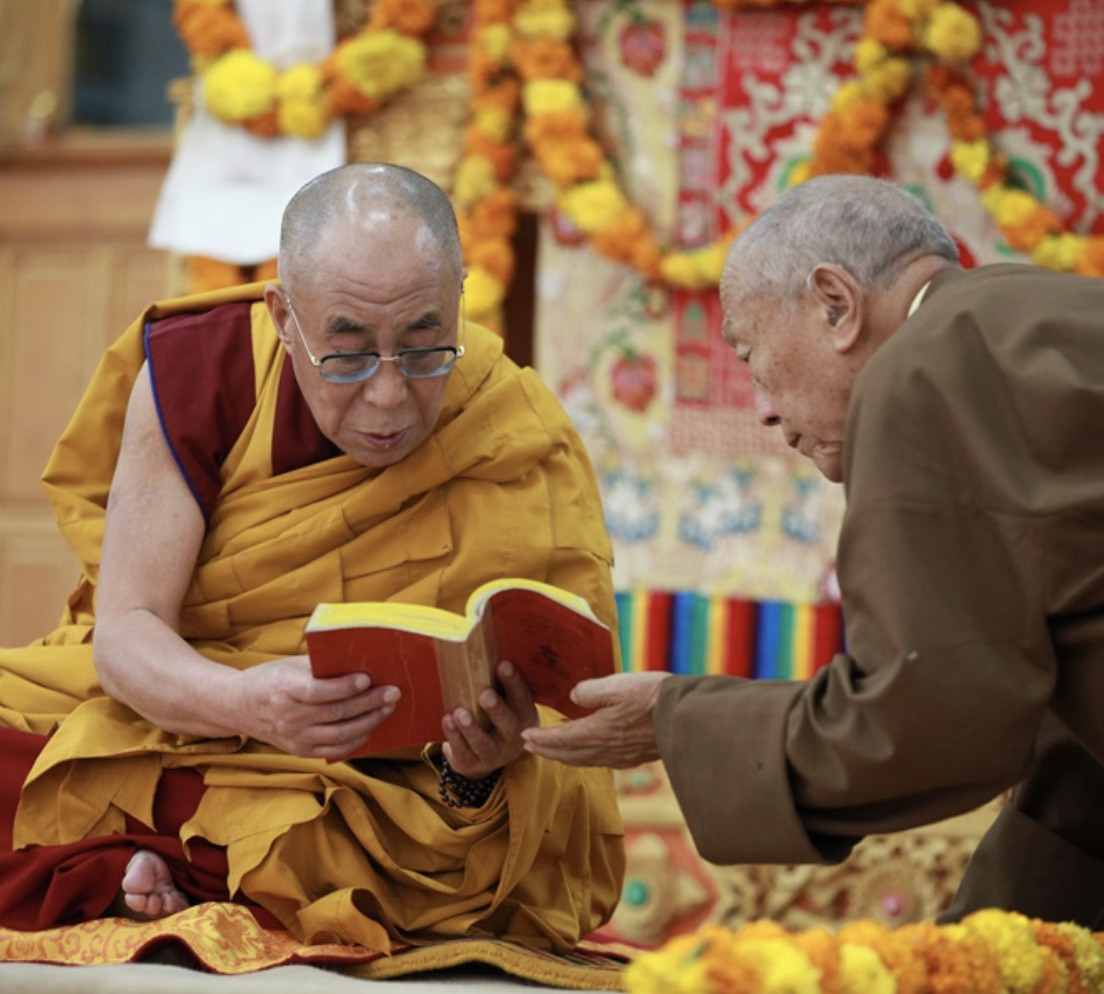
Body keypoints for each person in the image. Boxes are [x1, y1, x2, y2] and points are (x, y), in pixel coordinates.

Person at [0, 162, 624, 952]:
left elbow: (569, 731)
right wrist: (245, 704)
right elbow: (126, 636)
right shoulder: (204, 365)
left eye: (426, 347)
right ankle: (171, 860)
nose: (391, 397)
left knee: (386, 851)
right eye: (350, 355)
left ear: (460, 301)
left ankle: (144, 859)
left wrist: (483, 767)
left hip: (374, 793)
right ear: (282, 316)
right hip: (190, 716)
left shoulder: (514, 430)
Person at [523, 173, 1104, 930]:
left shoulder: (921, 373)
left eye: (752, 353)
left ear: (836, 303)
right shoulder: (1043, 315)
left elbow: (931, 718)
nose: (765, 410)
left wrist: (676, 721)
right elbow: (1077, 767)